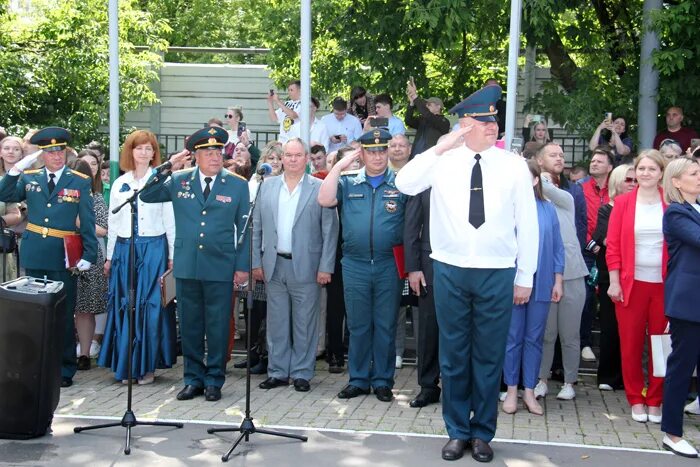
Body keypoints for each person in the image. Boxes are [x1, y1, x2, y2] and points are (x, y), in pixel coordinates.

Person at [395, 84, 538, 463]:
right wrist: (440, 147)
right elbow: (404, 183)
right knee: (454, 355)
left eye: (493, 120)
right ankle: (457, 431)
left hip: (496, 271)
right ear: (463, 125)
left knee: (488, 356)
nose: (492, 127)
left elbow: (528, 224)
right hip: (450, 270)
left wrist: (526, 275)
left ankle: (482, 433)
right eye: (482, 121)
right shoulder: (442, 160)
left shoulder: (513, 165)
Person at [140, 126, 250, 402]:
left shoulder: (237, 184)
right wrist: (166, 167)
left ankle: (214, 379)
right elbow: (146, 195)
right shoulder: (179, 180)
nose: (214, 157)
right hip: (188, 264)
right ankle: (192, 379)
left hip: (220, 265)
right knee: (189, 324)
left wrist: (242, 265)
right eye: (207, 152)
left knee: (216, 325)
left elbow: (246, 229)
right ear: (196, 156)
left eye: (218, 151)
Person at [0, 127, 97, 388]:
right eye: (51, 152)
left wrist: (89, 254)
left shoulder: (78, 180)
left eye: (60, 152)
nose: (56, 156)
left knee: (62, 314)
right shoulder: (29, 177)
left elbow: (87, 220)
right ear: (42, 154)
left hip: (62, 254)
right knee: (32, 312)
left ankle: (65, 367)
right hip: (34, 251)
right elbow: (4, 195)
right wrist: (14, 171)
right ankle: (34, 363)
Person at [318, 128, 407, 404]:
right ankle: (357, 379)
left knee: (384, 325)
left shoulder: (401, 182)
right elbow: (324, 199)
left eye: (382, 151)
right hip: (355, 264)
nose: (378, 157)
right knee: (357, 325)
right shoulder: (348, 182)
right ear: (363, 153)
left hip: (388, 264)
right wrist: (341, 164)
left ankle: (382, 381)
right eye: (372, 151)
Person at [252, 138, 338, 392]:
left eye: (297, 155)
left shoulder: (319, 187)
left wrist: (326, 267)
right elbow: (256, 226)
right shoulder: (266, 188)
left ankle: (302, 372)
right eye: (287, 155)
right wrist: (256, 261)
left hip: (308, 266)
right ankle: (278, 371)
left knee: (305, 323)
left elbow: (330, 231)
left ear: (307, 158)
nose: (291, 159)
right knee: (277, 322)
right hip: (274, 264)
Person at [99, 130, 176, 384]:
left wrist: (172, 256)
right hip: (124, 249)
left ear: (154, 153)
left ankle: (148, 367)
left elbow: (170, 222)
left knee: (150, 306)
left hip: (153, 249)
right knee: (125, 305)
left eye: (149, 148)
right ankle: (126, 366)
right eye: (139, 148)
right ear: (130, 151)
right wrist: (110, 257)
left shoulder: (162, 181)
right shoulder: (121, 183)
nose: (144, 153)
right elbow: (113, 220)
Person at [606, 149, 668, 423]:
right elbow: (614, 247)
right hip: (631, 285)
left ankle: (655, 399)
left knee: (660, 344)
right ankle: (635, 398)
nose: (645, 174)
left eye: (651, 169)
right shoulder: (623, 203)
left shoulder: (672, 202)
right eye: (641, 169)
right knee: (630, 345)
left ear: (662, 174)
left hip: (665, 286)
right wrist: (614, 281)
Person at [502, 160, 564, 416]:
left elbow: (558, 247)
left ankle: (530, 390)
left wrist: (558, 280)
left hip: (542, 282)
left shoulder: (548, 209)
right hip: (513, 283)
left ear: (536, 180)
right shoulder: (507, 209)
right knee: (512, 338)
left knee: (534, 339)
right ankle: (512, 390)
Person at [535, 168, 589, 402]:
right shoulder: (534, 208)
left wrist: (532, 172)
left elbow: (545, 187)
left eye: (548, 179)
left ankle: (569, 381)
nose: (544, 183)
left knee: (569, 334)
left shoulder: (567, 199)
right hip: (545, 277)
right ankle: (541, 380)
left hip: (573, 276)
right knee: (546, 334)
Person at [660, 157, 700, 458]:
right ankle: (672, 433)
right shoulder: (676, 213)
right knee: (681, 368)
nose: (699, 177)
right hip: (688, 303)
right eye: (694, 173)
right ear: (676, 181)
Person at [591, 164, 636, 391]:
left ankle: (630, 378)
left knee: (632, 330)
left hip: (637, 275)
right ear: (618, 181)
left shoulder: (644, 208)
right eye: (628, 180)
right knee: (610, 327)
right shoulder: (607, 209)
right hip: (610, 275)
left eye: (634, 180)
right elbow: (601, 238)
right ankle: (608, 376)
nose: (633, 183)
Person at [70, 157, 108, 372]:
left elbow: (103, 229)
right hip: (63, 257)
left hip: (88, 256)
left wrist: (77, 220)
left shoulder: (96, 198)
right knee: (64, 308)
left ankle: (84, 354)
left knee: (85, 308)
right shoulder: (58, 197)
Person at [580, 147, 614, 362]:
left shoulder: (617, 189)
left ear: (610, 167)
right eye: (593, 160)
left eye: (600, 161)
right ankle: (584, 343)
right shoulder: (580, 189)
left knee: (610, 300)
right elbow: (578, 221)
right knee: (586, 297)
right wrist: (592, 245)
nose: (594, 163)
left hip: (612, 253)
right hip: (587, 253)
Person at [404, 81, 450, 157]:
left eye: (429, 104)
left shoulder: (444, 121)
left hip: (431, 159)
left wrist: (415, 96)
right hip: (416, 157)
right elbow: (408, 121)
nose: (427, 106)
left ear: (438, 107)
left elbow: (428, 115)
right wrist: (411, 103)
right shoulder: (423, 119)